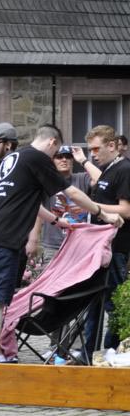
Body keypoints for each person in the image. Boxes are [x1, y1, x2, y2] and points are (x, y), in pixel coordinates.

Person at [0, 125, 123, 363]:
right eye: (56, 152)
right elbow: (73, 193)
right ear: (52, 142)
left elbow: (28, 200)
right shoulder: (38, 158)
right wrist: (102, 213)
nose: (56, 158)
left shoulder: (14, 158)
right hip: (6, 238)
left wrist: (55, 220)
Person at [79, 126, 130, 359]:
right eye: (90, 150)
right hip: (98, 247)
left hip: (115, 248)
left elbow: (126, 210)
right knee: (93, 302)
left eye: (96, 149)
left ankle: (112, 352)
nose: (93, 154)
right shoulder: (107, 169)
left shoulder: (125, 169)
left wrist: (92, 206)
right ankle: (88, 352)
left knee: (113, 304)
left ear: (112, 146)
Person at [37, 145, 91, 267]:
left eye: (68, 157)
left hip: (80, 244)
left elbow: (102, 180)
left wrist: (83, 160)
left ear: (72, 160)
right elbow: (37, 211)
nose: (64, 160)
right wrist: (33, 239)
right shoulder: (45, 182)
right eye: (59, 157)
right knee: (52, 279)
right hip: (53, 245)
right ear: (52, 160)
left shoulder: (82, 178)